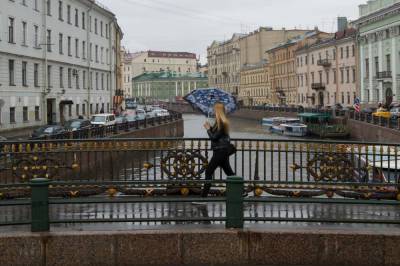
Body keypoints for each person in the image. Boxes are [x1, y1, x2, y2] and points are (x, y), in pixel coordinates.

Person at [202, 102, 235, 197]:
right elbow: (217, 134)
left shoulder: (223, 123)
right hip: (222, 151)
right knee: (230, 173)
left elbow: (214, 137)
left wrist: (208, 129)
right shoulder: (219, 122)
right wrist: (210, 127)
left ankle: (203, 197)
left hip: (220, 151)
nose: (213, 111)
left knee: (208, 172)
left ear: (218, 111)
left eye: (214, 109)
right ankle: (242, 192)